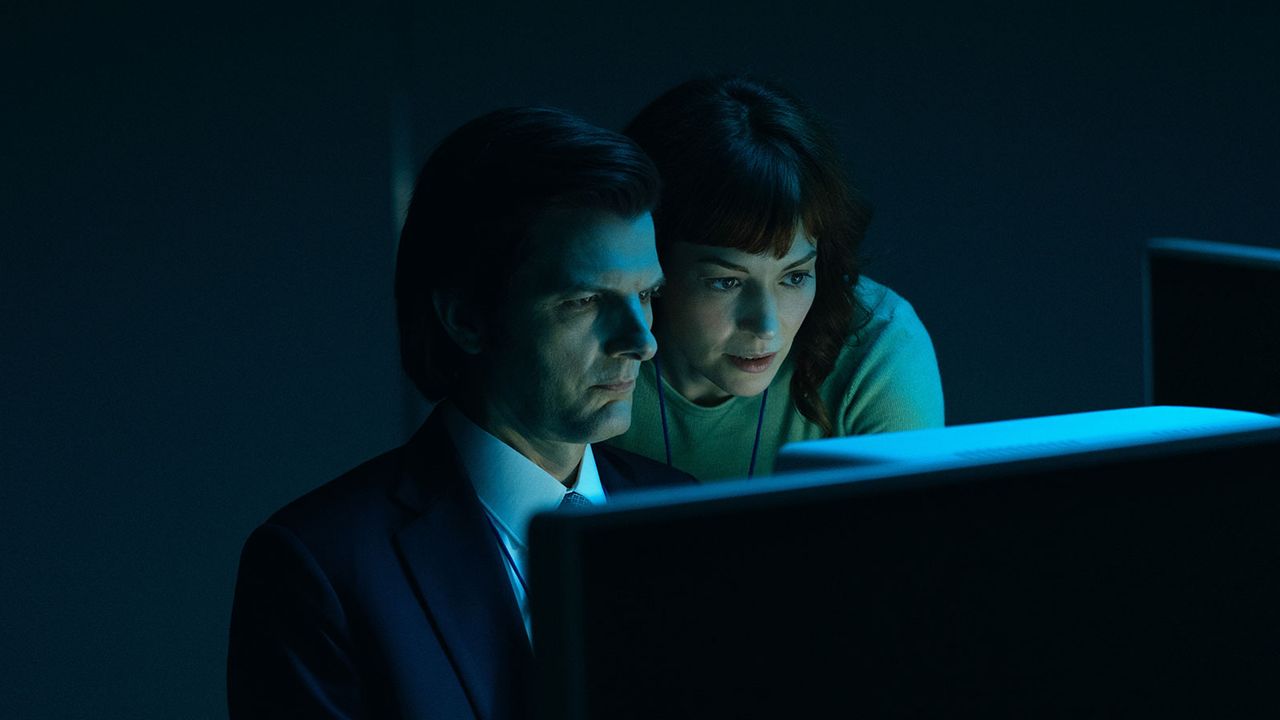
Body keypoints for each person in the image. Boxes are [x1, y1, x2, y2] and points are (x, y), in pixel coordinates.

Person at [227, 106, 692, 719]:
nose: (642, 340)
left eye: (647, 295)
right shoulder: (321, 567)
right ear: (466, 318)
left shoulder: (686, 514)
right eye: (585, 301)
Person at [605, 75, 944, 482]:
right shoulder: (591, 345)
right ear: (654, 263)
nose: (766, 326)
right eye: (726, 282)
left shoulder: (877, 347)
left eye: (795, 277)